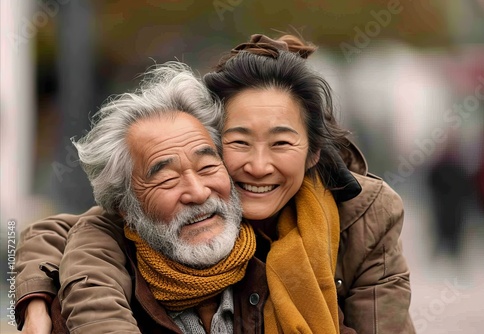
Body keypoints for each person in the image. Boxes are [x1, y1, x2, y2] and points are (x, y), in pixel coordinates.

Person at [16, 34, 415, 333]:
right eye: (239, 142)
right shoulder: (166, 220)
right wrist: (36, 298)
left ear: (313, 154)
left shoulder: (363, 216)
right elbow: (77, 230)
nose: (258, 167)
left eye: (281, 142)